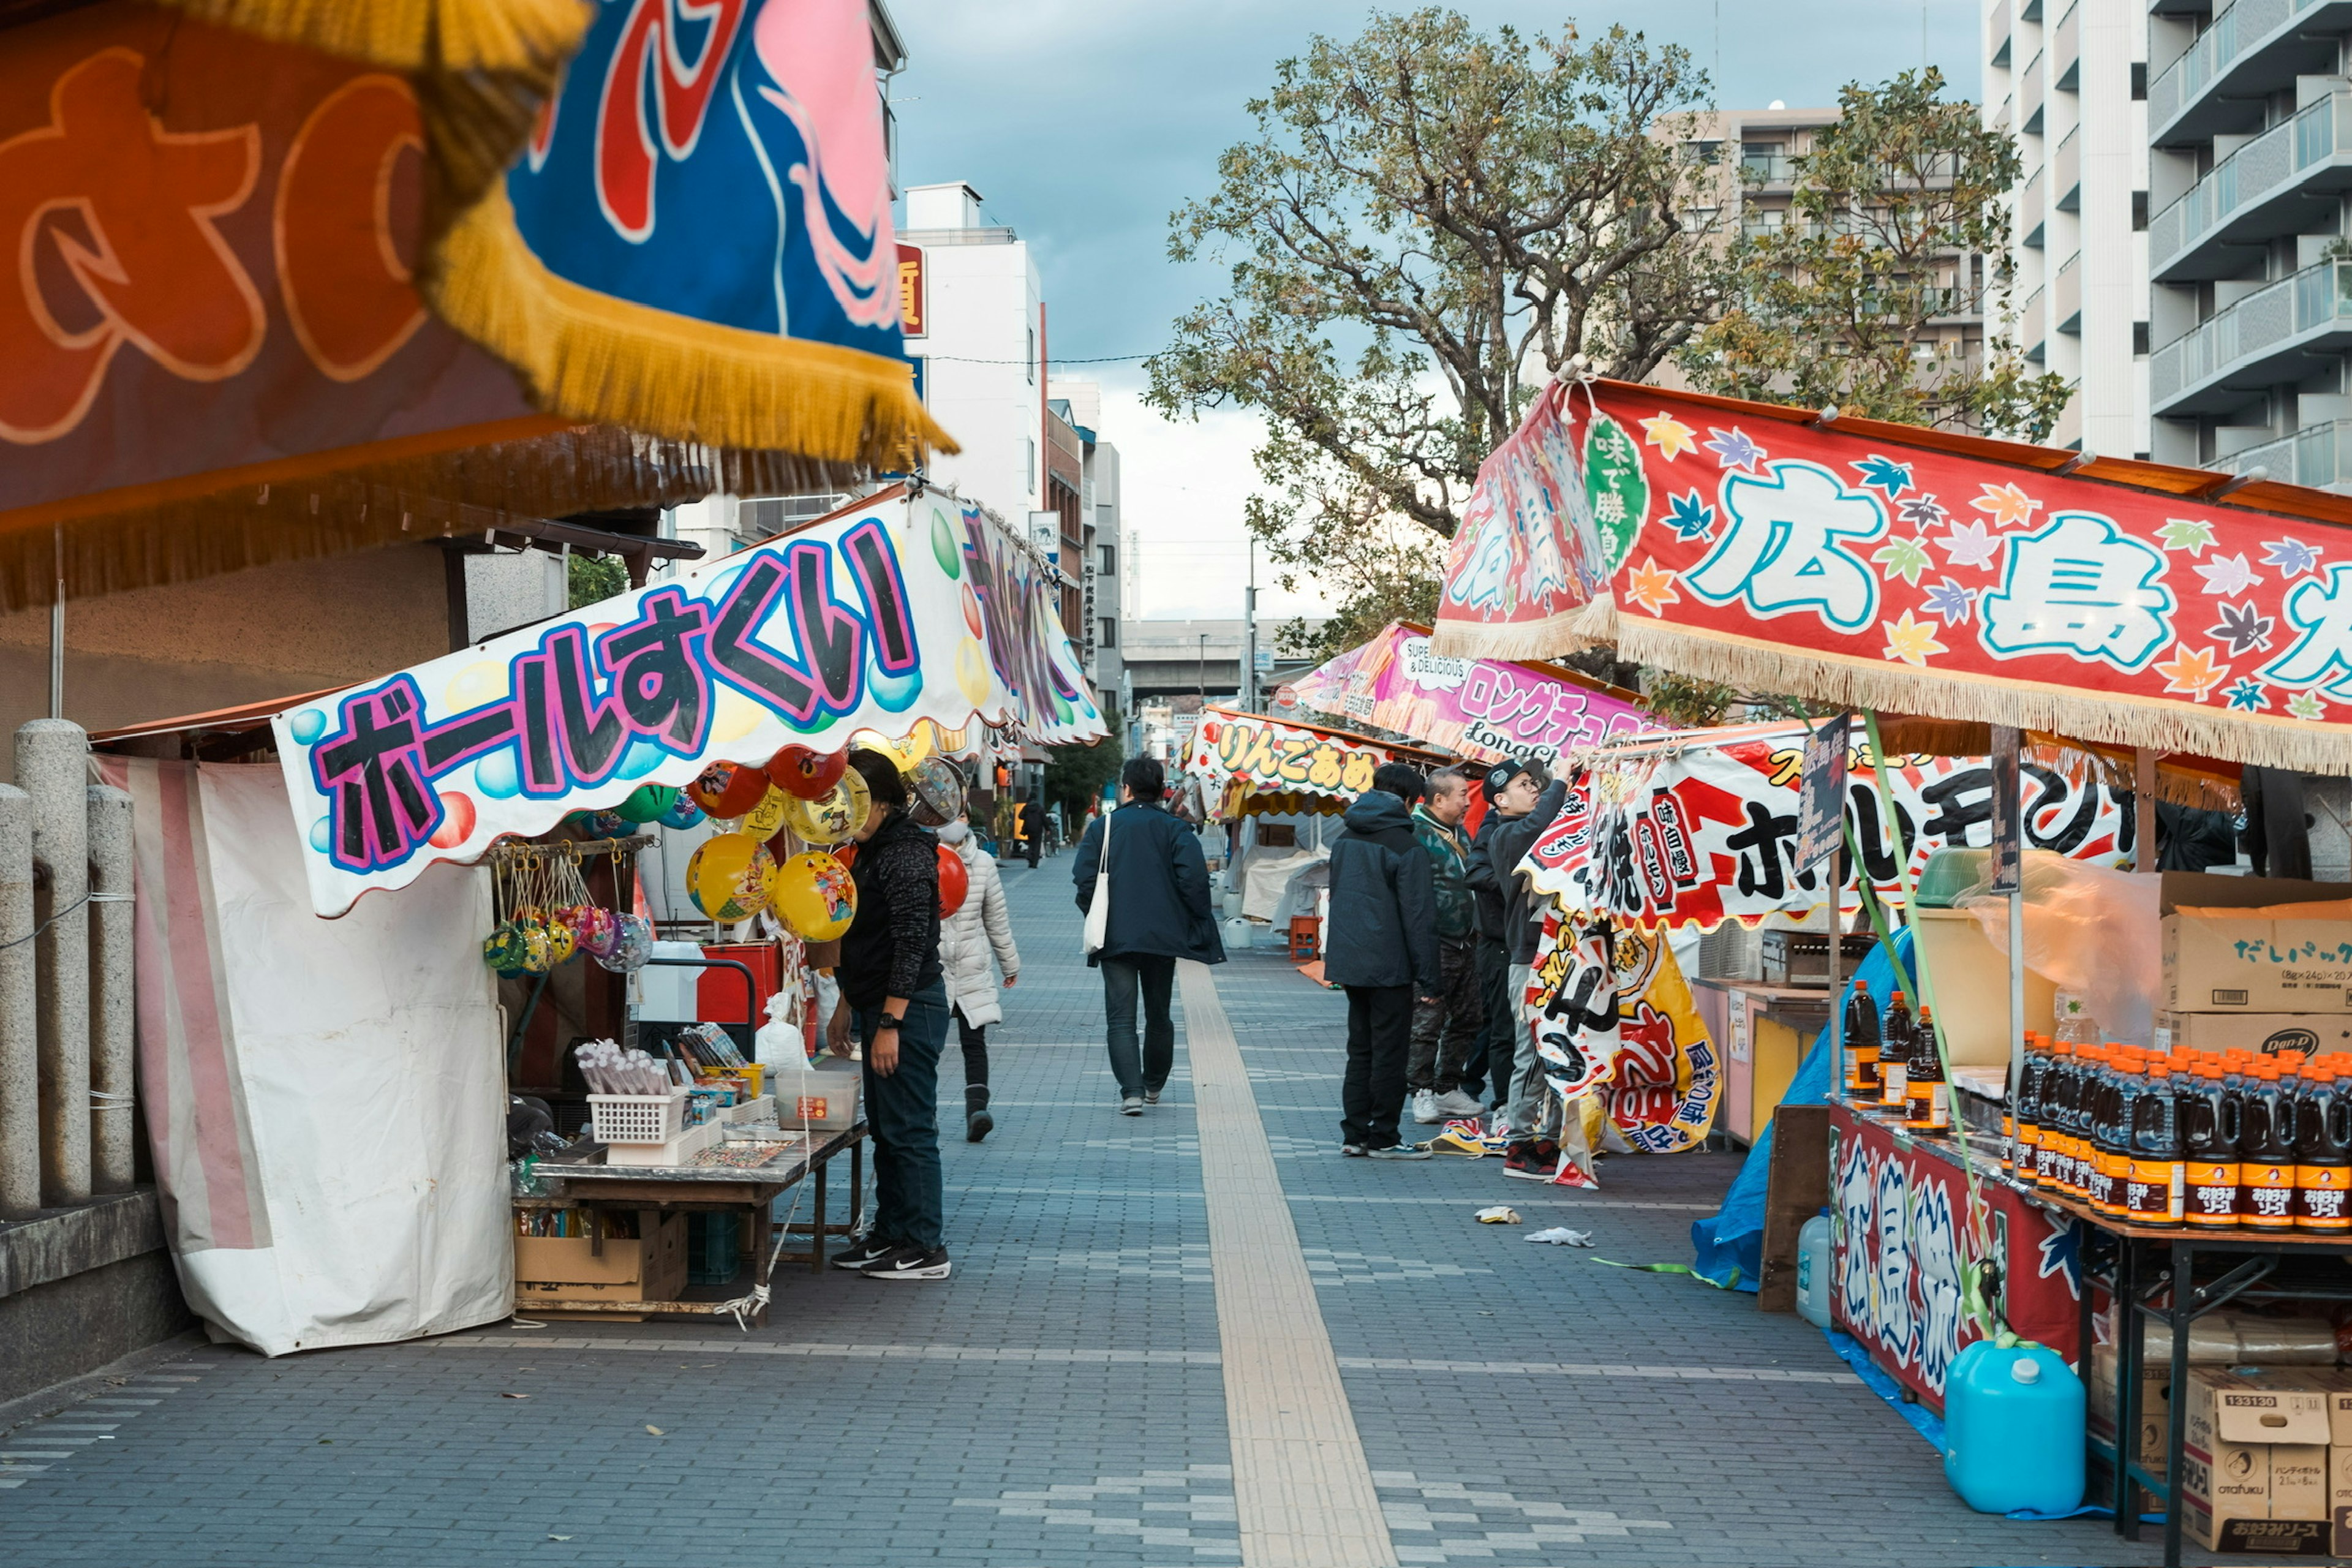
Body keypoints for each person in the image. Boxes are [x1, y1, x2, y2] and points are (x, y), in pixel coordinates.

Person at [825, 749, 953, 1280]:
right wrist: (846, 1006)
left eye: (852, 804)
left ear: (879, 801)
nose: (843, 816)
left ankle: (925, 1248)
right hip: (877, 1005)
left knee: (910, 1130)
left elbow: (910, 944)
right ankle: (891, 1233)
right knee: (888, 1128)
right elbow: (864, 940)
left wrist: (890, 1025)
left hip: (909, 1011)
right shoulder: (874, 850)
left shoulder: (904, 853)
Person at [1072, 756, 1223, 1114]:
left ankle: (1132, 1093)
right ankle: (1154, 1084)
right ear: (1160, 790)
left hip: (1115, 937)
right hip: (1162, 938)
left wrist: (1097, 915)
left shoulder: (1103, 828)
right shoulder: (1174, 829)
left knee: (1121, 1018)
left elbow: (1084, 880)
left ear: (1126, 788)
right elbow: (1195, 883)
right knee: (1159, 1014)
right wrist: (1191, 922)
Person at [1324, 762, 1442, 1160]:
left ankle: (1354, 1134)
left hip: (1350, 962)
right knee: (1390, 1052)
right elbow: (1420, 917)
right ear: (1409, 802)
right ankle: (1384, 1137)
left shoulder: (1345, 837)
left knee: (1361, 1049)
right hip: (1390, 966)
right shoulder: (1407, 847)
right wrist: (1431, 980)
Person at [1478, 761, 1570, 1180]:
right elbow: (1537, 823)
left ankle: (1549, 1141)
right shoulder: (1504, 835)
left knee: (1562, 1052)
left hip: (1560, 955)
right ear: (1500, 799)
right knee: (1531, 1054)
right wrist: (1563, 779)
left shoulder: (1547, 828)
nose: (1534, 789)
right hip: (1529, 957)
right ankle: (1520, 1144)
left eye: (1537, 783)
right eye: (1523, 785)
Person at [1408, 768, 1488, 1125]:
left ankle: (1447, 1086)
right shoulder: (1416, 833)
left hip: (1467, 940)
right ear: (1438, 799)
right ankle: (1420, 1091)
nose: (1467, 801)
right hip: (1434, 942)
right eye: (1461, 795)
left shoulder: (1459, 831)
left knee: (1469, 1016)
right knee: (1427, 1020)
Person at [938, 805, 1019, 1142]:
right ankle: (922, 1113)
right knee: (928, 1046)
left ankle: (977, 1112)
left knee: (974, 1043)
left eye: (963, 817)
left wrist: (1010, 963)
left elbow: (996, 919)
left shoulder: (983, 863)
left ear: (970, 822)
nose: (957, 824)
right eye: (949, 817)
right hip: (934, 968)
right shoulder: (924, 857)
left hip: (972, 967)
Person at [1019, 793, 1046, 869]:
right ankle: (1034, 863)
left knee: (1031, 843)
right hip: (1038, 828)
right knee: (1037, 846)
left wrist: (1027, 818)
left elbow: (1020, 816)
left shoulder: (1027, 807)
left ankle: (1029, 856)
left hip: (1029, 828)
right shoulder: (1039, 807)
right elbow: (1044, 819)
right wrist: (1048, 829)